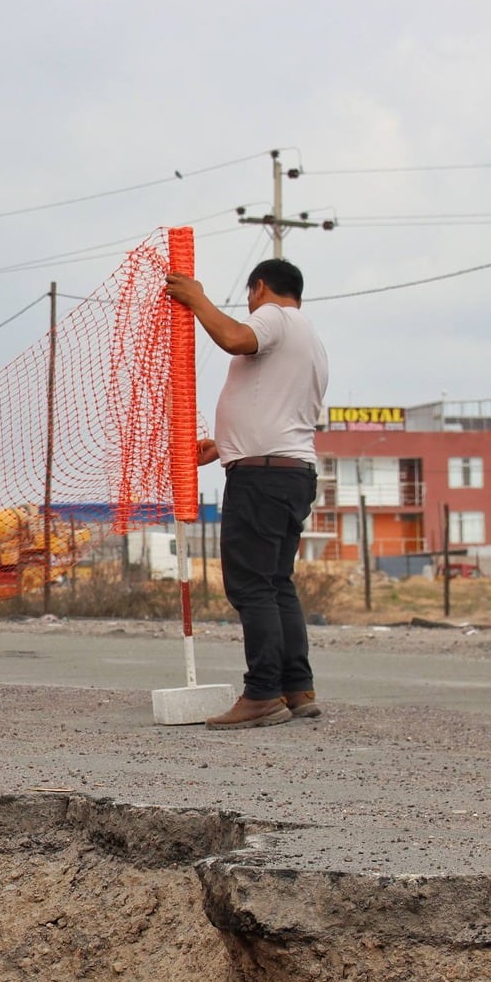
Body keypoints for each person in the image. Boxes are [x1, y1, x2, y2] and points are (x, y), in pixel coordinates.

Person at [164, 259, 329, 729]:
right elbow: (276, 410)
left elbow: (235, 338)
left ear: (259, 287)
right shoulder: (310, 338)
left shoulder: (273, 317)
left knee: (251, 585)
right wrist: (225, 445)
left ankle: (261, 695)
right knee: (276, 583)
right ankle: (297, 687)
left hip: (263, 478)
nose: (250, 304)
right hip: (289, 471)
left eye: (250, 294)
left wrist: (196, 298)